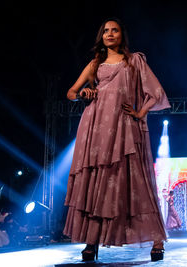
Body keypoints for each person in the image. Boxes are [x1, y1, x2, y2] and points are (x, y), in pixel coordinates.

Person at [63, 17, 170, 262]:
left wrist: (140, 113)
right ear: (101, 36)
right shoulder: (95, 64)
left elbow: (156, 93)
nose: (110, 34)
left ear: (122, 35)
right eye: (106, 31)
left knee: (136, 182)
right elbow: (70, 92)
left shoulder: (134, 61)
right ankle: (92, 242)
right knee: (97, 180)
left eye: (115, 30)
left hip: (124, 127)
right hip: (95, 126)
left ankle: (156, 240)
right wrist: (83, 93)